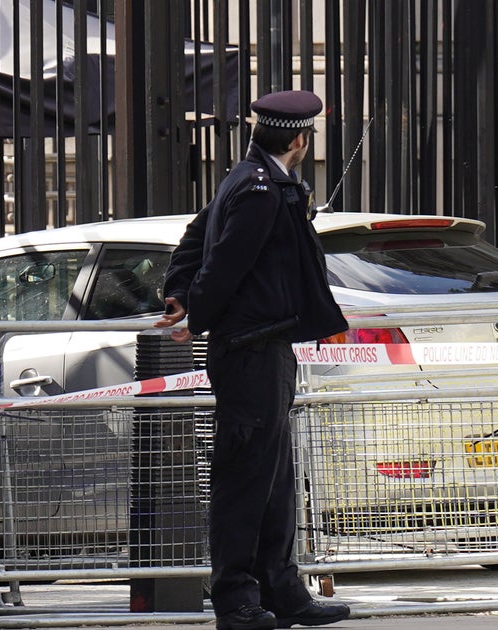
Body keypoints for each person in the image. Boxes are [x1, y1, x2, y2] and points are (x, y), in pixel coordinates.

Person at [154, 90, 350, 630]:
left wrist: (178, 292)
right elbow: (223, 262)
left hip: (268, 345)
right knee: (245, 477)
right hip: (249, 347)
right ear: (300, 139)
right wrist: (194, 312)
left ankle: (281, 589)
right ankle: (237, 599)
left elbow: (195, 237)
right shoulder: (261, 189)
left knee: (275, 477)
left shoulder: (249, 179)